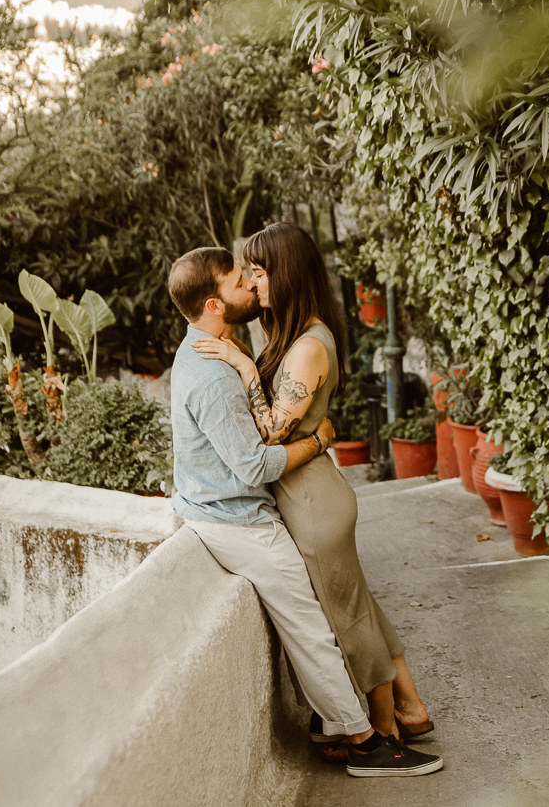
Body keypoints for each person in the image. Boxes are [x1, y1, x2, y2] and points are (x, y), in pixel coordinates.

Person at [167, 246, 441, 778]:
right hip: (239, 519)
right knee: (318, 626)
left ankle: (366, 724)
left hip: (253, 509)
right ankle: (366, 742)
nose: (250, 283)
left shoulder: (213, 349)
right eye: (239, 279)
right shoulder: (214, 371)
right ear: (214, 304)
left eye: (257, 273)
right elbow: (253, 463)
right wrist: (318, 441)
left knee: (338, 612)